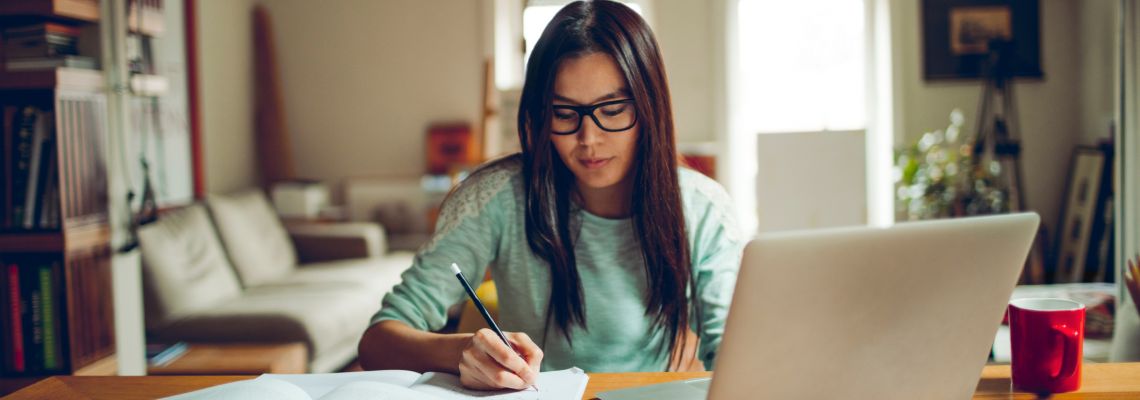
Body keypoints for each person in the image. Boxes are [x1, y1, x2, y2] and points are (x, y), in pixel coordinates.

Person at [357, 0, 743, 390]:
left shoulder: (701, 206)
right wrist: (461, 352)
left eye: (611, 109)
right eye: (564, 113)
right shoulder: (495, 198)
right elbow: (377, 343)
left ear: (649, 107)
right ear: (541, 115)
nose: (588, 139)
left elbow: (737, 353)